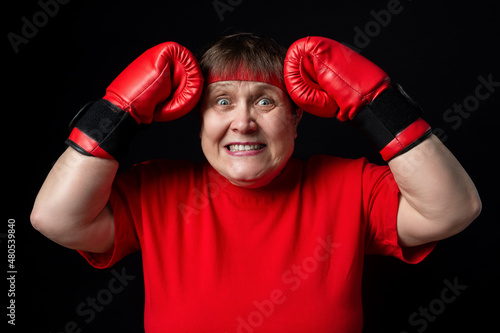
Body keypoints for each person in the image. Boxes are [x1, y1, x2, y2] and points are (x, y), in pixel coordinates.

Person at [31, 33, 481, 332]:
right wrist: (116, 113)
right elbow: (55, 219)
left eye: (264, 101)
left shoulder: (350, 185)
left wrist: (377, 105)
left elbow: (454, 209)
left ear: (296, 115)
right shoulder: (157, 190)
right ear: (197, 116)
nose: (242, 123)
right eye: (222, 101)